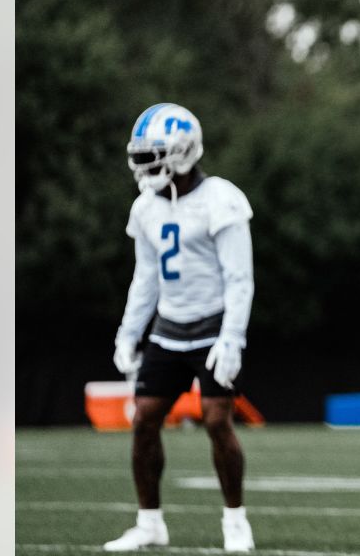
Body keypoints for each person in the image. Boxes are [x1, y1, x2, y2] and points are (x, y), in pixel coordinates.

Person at [104, 103, 256, 553]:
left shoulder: (220, 198)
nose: (145, 166)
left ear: (184, 152)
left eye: (154, 155)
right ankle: (149, 523)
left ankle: (235, 521)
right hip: (168, 328)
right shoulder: (146, 207)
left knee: (216, 420)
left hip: (212, 325)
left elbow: (239, 278)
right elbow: (145, 278)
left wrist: (232, 337)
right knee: (144, 420)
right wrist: (128, 332)